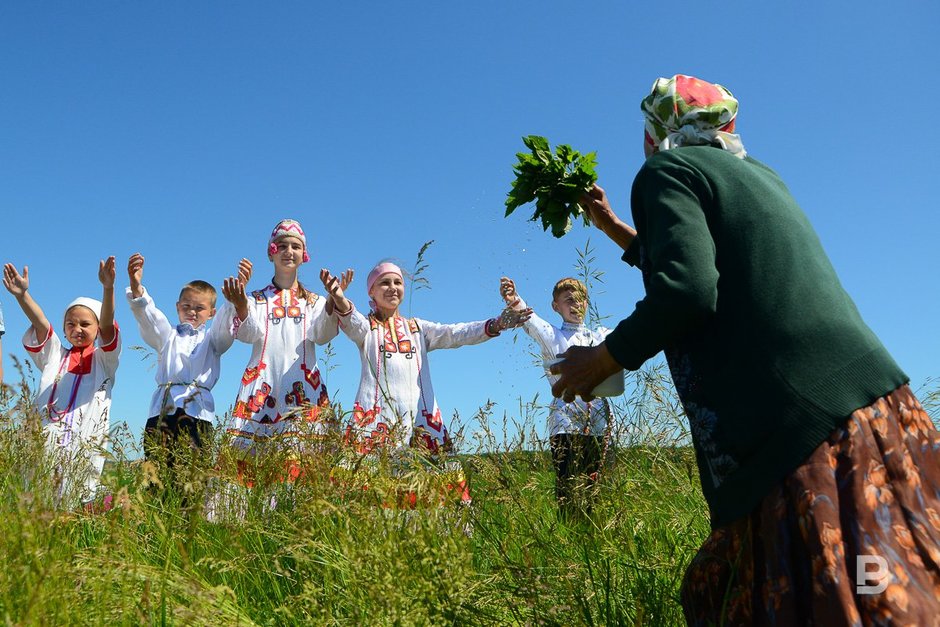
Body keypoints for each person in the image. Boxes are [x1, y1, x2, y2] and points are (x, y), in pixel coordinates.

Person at [549, 74, 940, 624]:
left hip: (794, 431)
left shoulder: (664, 170)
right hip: (878, 407)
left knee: (826, 598)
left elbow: (687, 288)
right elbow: (714, 264)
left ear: (656, 132)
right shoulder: (760, 175)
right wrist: (616, 228)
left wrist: (607, 357)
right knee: (902, 573)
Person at [320, 262, 530, 505]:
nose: (392, 288)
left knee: (439, 499)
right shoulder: (368, 328)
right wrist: (338, 297)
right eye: (384, 283)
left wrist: (497, 324)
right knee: (370, 500)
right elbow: (351, 320)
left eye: (397, 282)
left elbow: (455, 333)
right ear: (371, 291)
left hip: (422, 421)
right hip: (376, 423)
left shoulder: (417, 328)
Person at [220, 219, 341, 482]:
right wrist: (240, 303)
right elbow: (248, 333)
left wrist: (332, 301)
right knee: (251, 465)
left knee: (305, 462)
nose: (289, 251)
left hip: (304, 386)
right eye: (282, 245)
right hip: (263, 383)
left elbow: (322, 335)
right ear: (271, 251)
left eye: (296, 246)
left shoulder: (314, 301)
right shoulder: (256, 299)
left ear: (304, 255)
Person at [2, 258, 120, 506]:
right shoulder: (55, 355)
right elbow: (41, 323)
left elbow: (108, 326)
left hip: (84, 444)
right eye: (71, 324)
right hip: (45, 440)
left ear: (97, 328)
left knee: (77, 498)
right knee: (37, 496)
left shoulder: (104, 361)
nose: (77, 328)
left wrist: (108, 289)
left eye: (85, 324)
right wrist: (22, 295)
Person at [126, 253, 252, 473]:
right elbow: (150, 318)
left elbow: (225, 325)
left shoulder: (212, 340)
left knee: (193, 472)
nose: (192, 311)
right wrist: (137, 288)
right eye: (187, 305)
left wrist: (234, 297)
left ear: (211, 313)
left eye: (199, 308)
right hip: (162, 411)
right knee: (158, 471)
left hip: (197, 413)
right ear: (177, 307)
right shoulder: (167, 336)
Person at [500, 276, 612, 517]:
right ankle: (570, 533)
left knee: (596, 488)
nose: (576, 305)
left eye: (581, 300)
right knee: (568, 487)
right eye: (568, 300)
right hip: (565, 422)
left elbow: (629, 337)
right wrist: (514, 300)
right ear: (555, 306)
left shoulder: (599, 335)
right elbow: (532, 321)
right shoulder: (553, 336)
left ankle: (593, 535)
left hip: (599, 421)